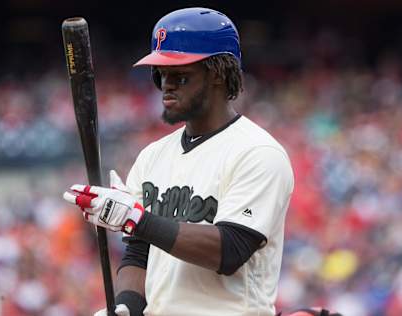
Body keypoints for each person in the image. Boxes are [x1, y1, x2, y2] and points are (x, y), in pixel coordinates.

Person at [63, 7, 294, 316]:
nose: (165, 84)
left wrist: (137, 219)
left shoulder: (258, 153)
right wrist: (127, 306)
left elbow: (229, 249)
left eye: (180, 75)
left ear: (217, 74)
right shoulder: (152, 156)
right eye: (161, 74)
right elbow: (139, 252)